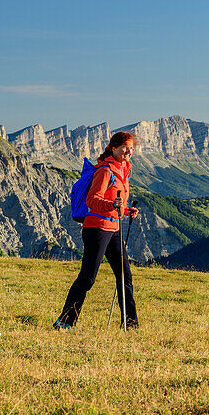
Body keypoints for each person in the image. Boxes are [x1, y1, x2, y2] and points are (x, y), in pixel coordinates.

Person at [54, 131, 140, 329]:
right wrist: (112, 205)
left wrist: (126, 210)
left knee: (124, 276)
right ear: (113, 147)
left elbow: (115, 202)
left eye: (132, 149)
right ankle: (65, 322)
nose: (129, 152)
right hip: (97, 229)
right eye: (125, 147)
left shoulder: (124, 169)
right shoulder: (105, 171)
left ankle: (130, 323)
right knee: (88, 277)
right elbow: (92, 200)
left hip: (114, 227)